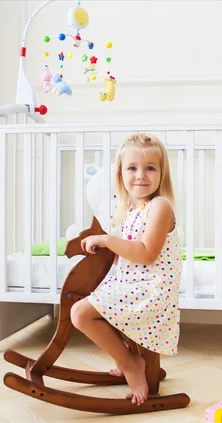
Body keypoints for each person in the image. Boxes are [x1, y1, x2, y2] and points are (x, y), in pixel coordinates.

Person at [70, 133, 181, 406]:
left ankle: (131, 364)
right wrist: (110, 255)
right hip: (133, 284)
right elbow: (129, 255)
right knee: (95, 302)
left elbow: (146, 253)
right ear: (121, 174)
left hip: (152, 290)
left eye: (150, 168)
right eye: (132, 168)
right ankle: (127, 356)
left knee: (80, 313)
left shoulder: (160, 206)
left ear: (161, 174)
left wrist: (107, 240)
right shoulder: (131, 209)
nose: (140, 175)